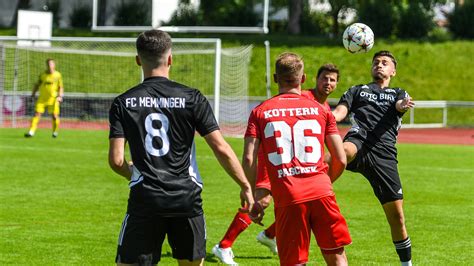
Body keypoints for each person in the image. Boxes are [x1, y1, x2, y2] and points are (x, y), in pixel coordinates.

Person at [108, 29, 258, 266]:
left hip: (145, 198)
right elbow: (220, 147)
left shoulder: (123, 102)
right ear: (170, 59)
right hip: (186, 199)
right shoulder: (192, 97)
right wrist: (245, 185)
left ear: (138, 60)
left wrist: (134, 173)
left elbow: (116, 160)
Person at [212, 63, 343, 265]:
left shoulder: (322, 107)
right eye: (324, 78)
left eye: (332, 79)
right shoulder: (311, 103)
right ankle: (226, 245)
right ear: (307, 79)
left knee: (286, 205)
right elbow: (340, 157)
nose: (327, 83)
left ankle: (268, 235)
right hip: (276, 156)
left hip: (291, 168)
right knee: (263, 200)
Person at [243, 52, 351, 265]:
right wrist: (325, 183)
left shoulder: (259, 112)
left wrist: (251, 194)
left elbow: (248, 159)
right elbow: (341, 158)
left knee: (295, 261)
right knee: (336, 255)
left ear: (275, 78)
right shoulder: (322, 110)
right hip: (322, 191)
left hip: (289, 196)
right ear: (303, 79)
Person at [332, 50, 415, 266]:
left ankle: (407, 264)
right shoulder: (358, 90)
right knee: (342, 152)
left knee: (397, 217)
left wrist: (403, 106)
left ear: (393, 71)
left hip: (384, 153)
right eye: (376, 62)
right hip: (358, 141)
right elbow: (340, 113)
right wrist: (326, 117)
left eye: (385, 63)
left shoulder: (398, 93)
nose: (379, 65)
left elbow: (399, 106)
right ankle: (308, 180)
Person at [24, 58, 64, 138]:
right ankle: (31, 132)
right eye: (48, 64)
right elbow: (37, 85)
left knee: (54, 116)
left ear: (54, 65)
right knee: (37, 114)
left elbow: (60, 87)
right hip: (42, 99)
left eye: (51, 64)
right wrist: (33, 95)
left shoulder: (57, 75)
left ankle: (55, 131)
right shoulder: (42, 75)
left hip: (53, 99)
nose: (50, 65)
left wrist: (60, 96)